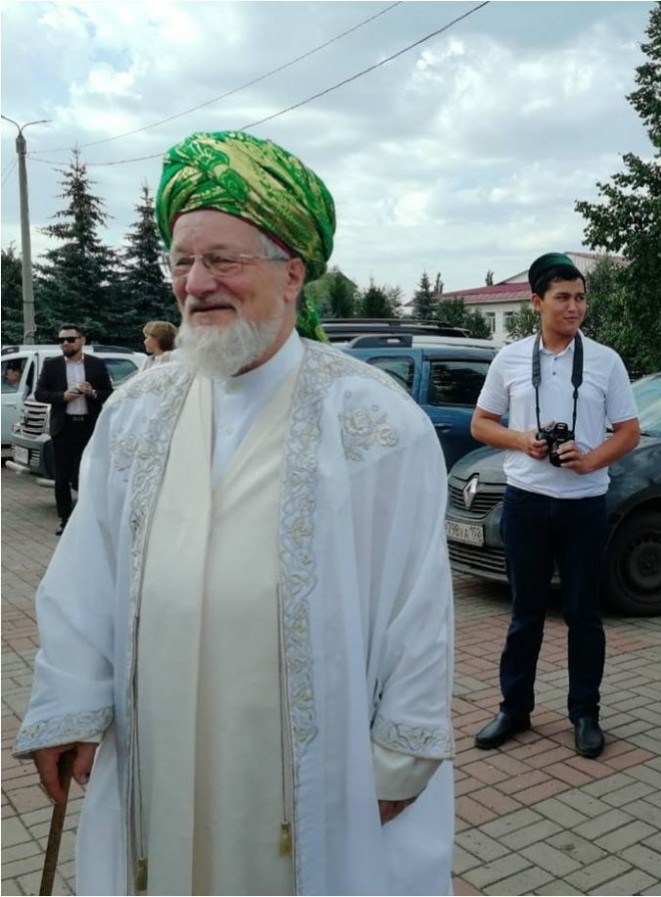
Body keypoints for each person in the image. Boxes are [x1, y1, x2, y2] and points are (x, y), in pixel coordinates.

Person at [13, 130, 456, 896]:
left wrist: (400, 757)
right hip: (158, 751)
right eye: (182, 261)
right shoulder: (138, 411)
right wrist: (71, 704)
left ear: (293, 272)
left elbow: (418, 608)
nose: (196, 283)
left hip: (316, 776)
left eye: (222, 259)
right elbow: (87, 571)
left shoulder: (374, 422)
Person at [470, 252, 640, 759]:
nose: (574, 307)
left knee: (584, 615)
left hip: (584, 504)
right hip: (526, 502)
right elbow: (481, 424)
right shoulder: (510, 359)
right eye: (563, 297)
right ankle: (514, 709)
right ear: (536, 302)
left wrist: (590, 461)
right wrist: (522, 440)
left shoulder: (606, 360)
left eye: (580, 297)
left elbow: (628, 432)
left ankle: (585, 714)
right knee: (525, 614)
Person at [34, 324, 113, 535]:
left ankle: (89, 517)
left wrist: (93, 393)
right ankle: (65, 519)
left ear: (82, 340)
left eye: (70, 339)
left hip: (88, 426)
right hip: (63, 426)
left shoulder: (96, 364)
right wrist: (62, 396)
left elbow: (109, 393)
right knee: (61, 477)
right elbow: (40, 393)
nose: (65, 344)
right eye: (61, 340)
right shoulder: (52, 365)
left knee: (86, 474)